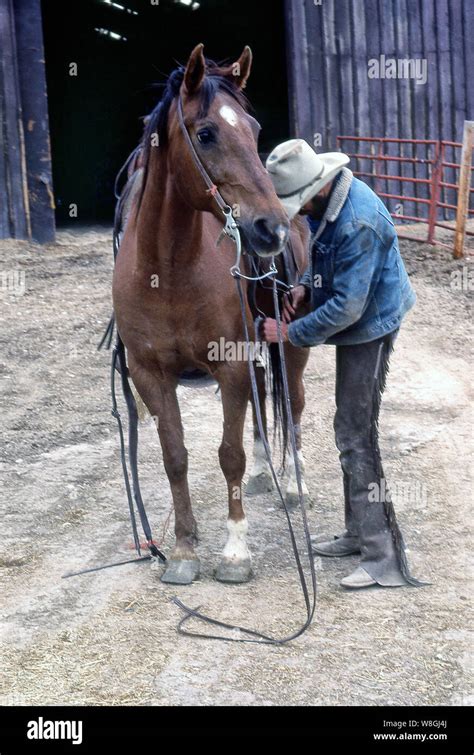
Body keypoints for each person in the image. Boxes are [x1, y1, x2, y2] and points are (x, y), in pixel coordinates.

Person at [262, 138, 423, 589]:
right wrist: (304, 285)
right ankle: (358, 533)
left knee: (357, 435)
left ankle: (382, 557)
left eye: (296, 203)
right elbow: (320, 259)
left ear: (315, 187)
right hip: (358, 315)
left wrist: (289, 332)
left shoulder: (359, 221)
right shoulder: (326, 206)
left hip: (371, 325)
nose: (297, 213)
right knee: (347, 429)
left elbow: (348, 309)